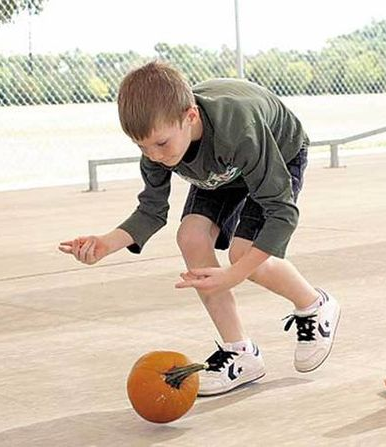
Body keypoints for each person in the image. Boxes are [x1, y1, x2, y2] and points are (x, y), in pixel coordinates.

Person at [59, 61, 340, 396]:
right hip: (222, 171)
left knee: (242, 253)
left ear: (190, 117)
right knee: (190, 236)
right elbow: (151, 210)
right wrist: (106, 243)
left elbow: (282, 213)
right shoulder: (158, 144)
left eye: (160, 144)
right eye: (142, 147)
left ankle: (314, 305)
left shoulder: (239, 128)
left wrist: (235, 272)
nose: (154, 155)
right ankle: (241, 353)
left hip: (275, 153)